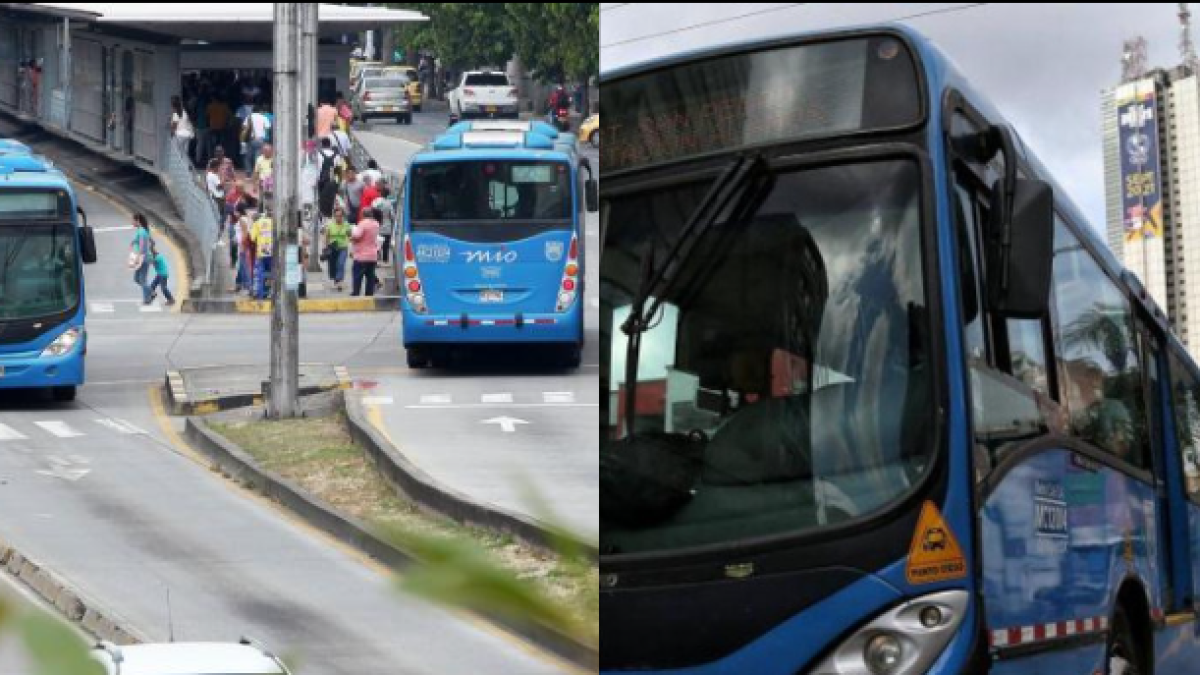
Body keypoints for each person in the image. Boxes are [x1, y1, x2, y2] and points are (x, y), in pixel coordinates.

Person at [350, 208, 381, 297]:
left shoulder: (362, 223)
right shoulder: (376, 224)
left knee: (357, 276)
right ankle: (369, 294)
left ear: (363, 214)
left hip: (361, 255)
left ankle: (356, 292)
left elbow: (357, 236)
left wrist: (351, 237)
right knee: (370, 277)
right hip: (372, 255)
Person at [323, 205, 351, 292]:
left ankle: (339, 281)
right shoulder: (330, 225)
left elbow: (350, 236)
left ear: (343, 216)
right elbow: (326, 236)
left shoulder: (346, 224)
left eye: (340, 216)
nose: (338, 218)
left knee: (341, 264)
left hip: (343, 247)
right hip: (333, 248)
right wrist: (326, 247)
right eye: (336, 216)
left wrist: (353, 248)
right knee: (334, 265)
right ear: (334, 216)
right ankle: (336, 279)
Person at [129, 214, 154, 305]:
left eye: (133, 220)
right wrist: (133, 242)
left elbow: (142, 247)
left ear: (138, 221)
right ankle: (151, 292)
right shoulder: (141, 230)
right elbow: (150, 241)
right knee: (136, 279)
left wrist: (137, 259)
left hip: (143, 258)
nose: (132, 222)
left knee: (142, 279)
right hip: (141, 257)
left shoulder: (142, 231)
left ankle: (147, 299)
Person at [250, 208, 275, 300]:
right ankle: (269, 292)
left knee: (260, 274)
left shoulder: (257, 223)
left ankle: (260, 294)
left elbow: (252, 238)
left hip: (262, 251)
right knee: (271, 273)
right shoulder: (273, 222)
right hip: (272, 251)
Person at [244, 105, 272, 173]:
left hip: (250, 139)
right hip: (261, 139)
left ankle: (248, 172)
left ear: (253, 110)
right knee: (258, 157)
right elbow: (268, 128)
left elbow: (244, 127)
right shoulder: (263, 117)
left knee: (248, 157)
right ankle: (257, 172)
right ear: (259, 111)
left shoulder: (249, 117)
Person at [371, 186, 396, 263]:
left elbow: (371, 212)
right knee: (385, 244)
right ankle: (385, 260)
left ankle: (376, 259)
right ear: (387, 195)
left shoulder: (375, 202)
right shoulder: (389, 203)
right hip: (386, 225)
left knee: (376, 243)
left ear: (380, 193)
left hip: (376, 225)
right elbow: (392, 216)